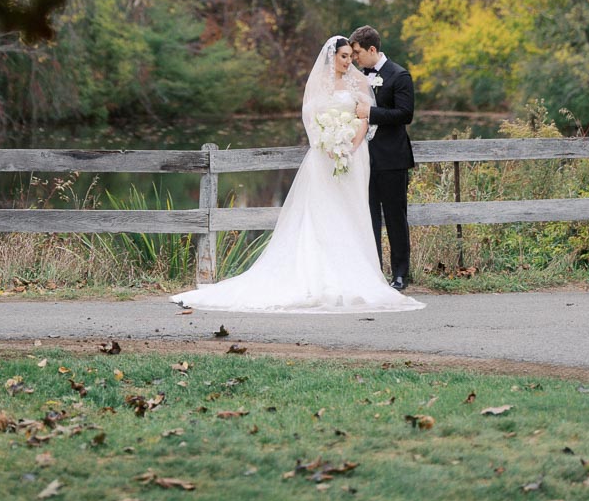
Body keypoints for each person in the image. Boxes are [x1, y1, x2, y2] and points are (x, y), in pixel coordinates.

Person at [172, 36, 423, 313]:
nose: (349, 60)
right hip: (324, 156)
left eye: (352, 55)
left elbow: (364, 117)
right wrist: (326, 142)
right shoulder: (319, 83)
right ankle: (321, 273)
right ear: (332, 57)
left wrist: (349, 145)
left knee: (356, 213)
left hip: (354, 157)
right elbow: (310, 117)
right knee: (323, 213)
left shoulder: (361, 80)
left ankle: (375, 273)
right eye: (344, 56)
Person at [349, 25, 415, 291]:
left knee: (395, 217)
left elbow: (405, 114)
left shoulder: (399, 75)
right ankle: (372, 272)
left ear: (372, 49)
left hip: (393, 159)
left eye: (357, 53)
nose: (355, 58)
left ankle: (400, 274)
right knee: (368, 218)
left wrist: (371, 113)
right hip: (365, 159)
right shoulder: (357, 77)